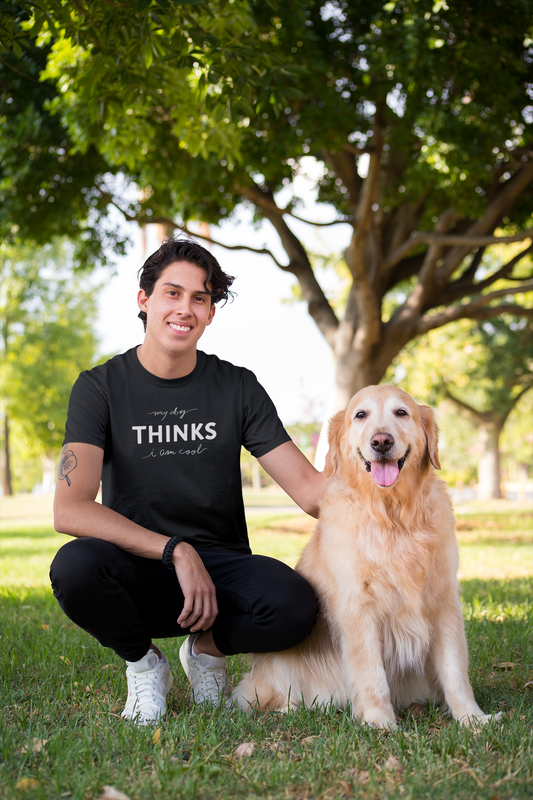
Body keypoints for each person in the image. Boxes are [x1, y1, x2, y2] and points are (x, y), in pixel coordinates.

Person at [50, 237, 326, 725]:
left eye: (200, 298)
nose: (186, 308)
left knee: (295, 606)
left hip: (220, 574)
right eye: (172, 293)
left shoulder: (237, 386)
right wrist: (176, 549)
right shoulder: (99, 387)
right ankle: (145, 663)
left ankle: (206, 649)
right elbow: (70, 509)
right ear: (144, 299)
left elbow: (309, 491)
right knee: (75, 567)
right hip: (137, 564)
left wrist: (386, 468)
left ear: (211, 312)